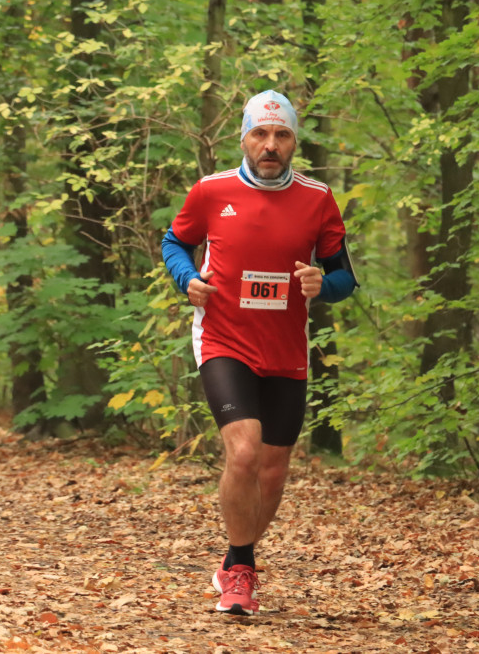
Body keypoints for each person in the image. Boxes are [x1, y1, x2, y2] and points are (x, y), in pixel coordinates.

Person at [161, 90, 358, 615]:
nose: (270, 145)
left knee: (272, 470)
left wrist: (324, 284)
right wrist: (187, 279)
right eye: (260, 134)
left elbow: (345, 277)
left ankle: (234, 558)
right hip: (224, 339)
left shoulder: (318, 200)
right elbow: (173, 242)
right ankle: (242, 569)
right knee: (243, 452)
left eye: (282, 135)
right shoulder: (210, 191)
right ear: (244, 138)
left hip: (286, 349)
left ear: (294, 141)